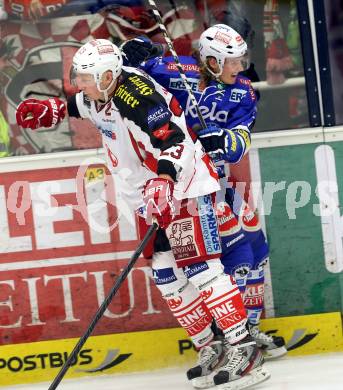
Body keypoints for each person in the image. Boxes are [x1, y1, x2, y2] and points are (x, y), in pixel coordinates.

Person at [15, 39, 269, 390]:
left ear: (107, 76)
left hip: (183, 189)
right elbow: (81, 104)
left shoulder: (136, 97)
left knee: (202, 268)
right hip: (150, 199)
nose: (80, 84)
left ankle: (244, 349)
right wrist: (54, 110)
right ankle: (211, 346)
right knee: (166, 275)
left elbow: (176, 141)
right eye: (81, 76)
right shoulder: (98, 94)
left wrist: (165, 179)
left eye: (86, 77)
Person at [121, 25, 287, 360]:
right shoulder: (174, 69)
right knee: (224, 258)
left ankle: (247, 329)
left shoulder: (242, 90)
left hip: (218, 180)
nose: (240, 68)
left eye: (242, 60)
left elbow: (241, 138)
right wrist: (136, 50)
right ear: (211, 60)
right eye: (232, 62)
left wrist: (225, 142)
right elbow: (123, 77)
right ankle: (228, 336)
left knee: (256, 246)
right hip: (184, 184)